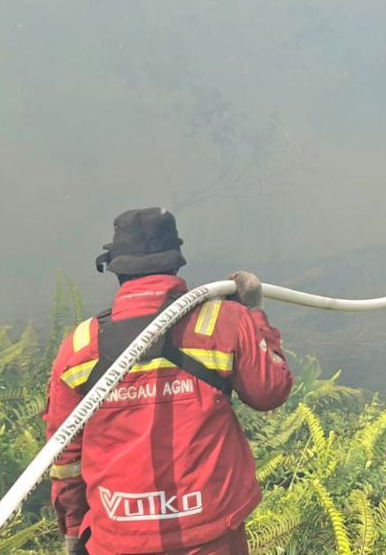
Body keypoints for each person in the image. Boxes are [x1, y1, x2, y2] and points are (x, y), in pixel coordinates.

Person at [45, 208, 294, 555]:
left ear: (116, 269)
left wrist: (74, 528)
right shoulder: (223, 320)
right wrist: (253, 313)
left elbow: (65, 455)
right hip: (210, 535)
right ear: (176, 264)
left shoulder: (80, 344)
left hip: (116, 537)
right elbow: (270, 390)